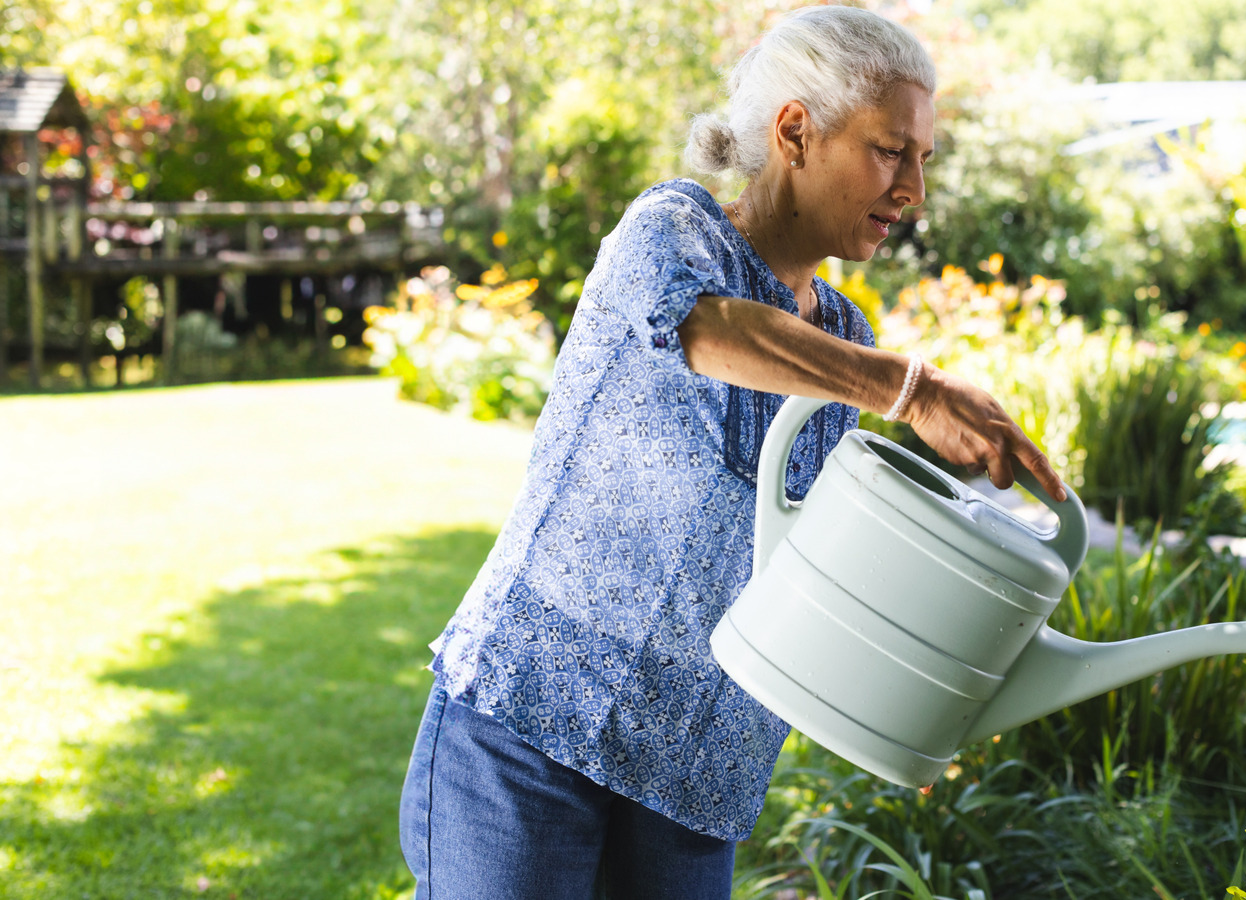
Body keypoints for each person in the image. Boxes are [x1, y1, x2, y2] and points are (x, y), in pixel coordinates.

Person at [398, 6, 1067, 899]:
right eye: (889, 150)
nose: (913, 188)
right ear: (795, 132)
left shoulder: (847, 335)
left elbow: (809, 560)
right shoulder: (673, 230)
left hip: (699, 770)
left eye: (923, 159)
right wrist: (915, 390)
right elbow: (706, 329)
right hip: (534, 721)